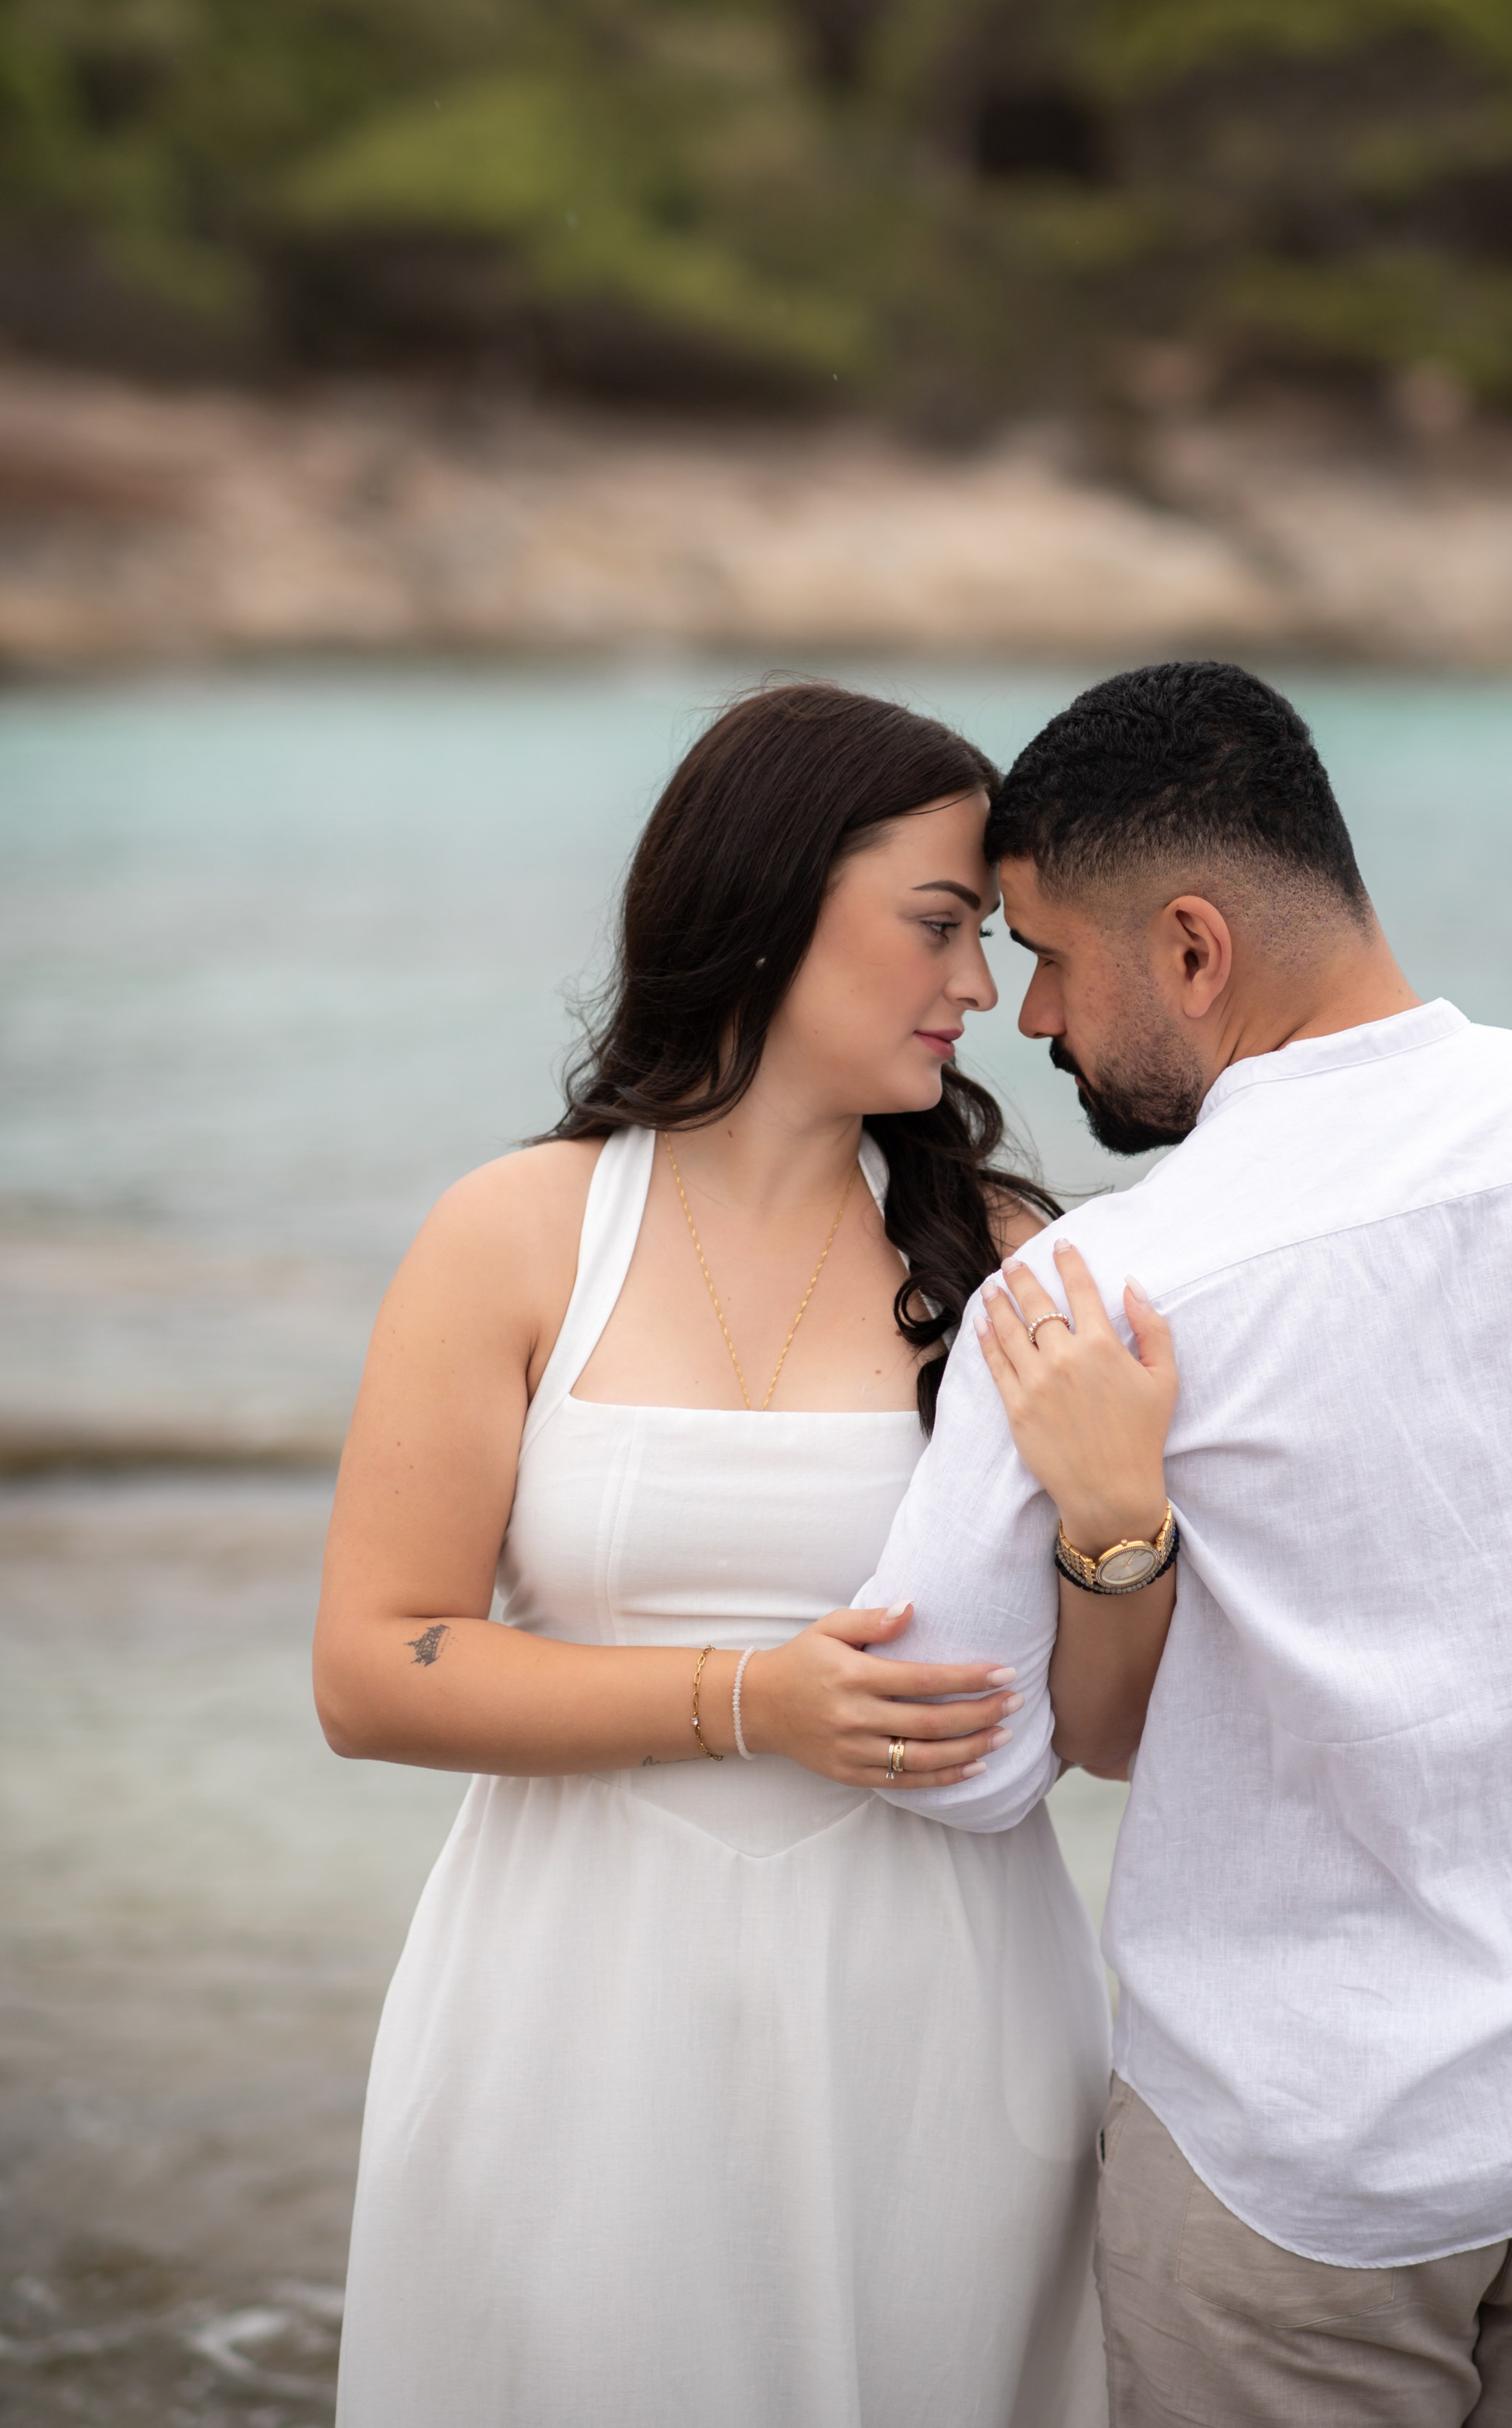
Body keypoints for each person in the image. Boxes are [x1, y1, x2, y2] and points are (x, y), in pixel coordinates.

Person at [855, 658, 1512, 2428]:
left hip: (1298, 2170)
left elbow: (964, 1758)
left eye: (1047, 954)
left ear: (1192, 949)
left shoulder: (1090, 1300)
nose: (1030, 1016)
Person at [314, 682, 1111, 2428]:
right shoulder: (515, 1232)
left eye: (983, 938)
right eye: (937, 925)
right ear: (767, 898)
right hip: (580, 2000)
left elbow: (1117, 1705)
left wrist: (1128, 1524)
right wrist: (751, 1698)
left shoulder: (1010, 1261)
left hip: (938, 2012)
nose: (977, 987)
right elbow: (373, 1668)